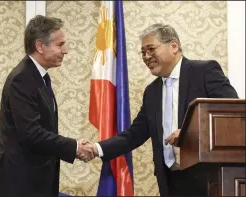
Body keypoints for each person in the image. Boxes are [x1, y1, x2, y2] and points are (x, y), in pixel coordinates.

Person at [86, 23, 239, 196]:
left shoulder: (204, 71)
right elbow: (134, 135)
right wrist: (96, 148)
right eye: (143, 52)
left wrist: (190, 133)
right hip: (170, 182)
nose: (146, 56)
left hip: (208, 180)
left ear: (173, 46)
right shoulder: (151, 92)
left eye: (151, 49)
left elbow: (232, 115)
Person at [0, 15, 95, 197]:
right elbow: (31, 134)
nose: (65, 50)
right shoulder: (22, 79)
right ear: (40, 46)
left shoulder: (39, 76)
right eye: (60, 45)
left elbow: (44, 128)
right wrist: (75, 146)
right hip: (21, 184)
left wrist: (74, 145)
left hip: (35, 180)